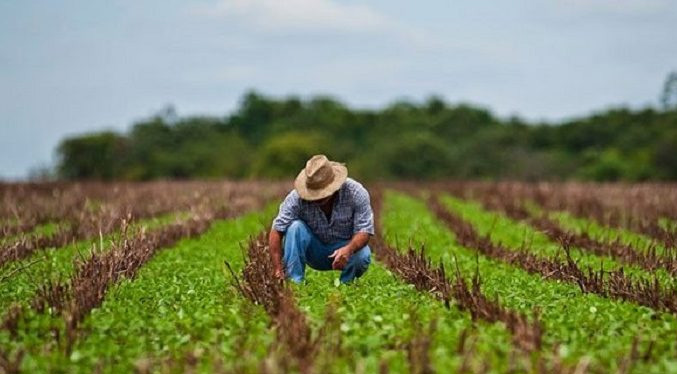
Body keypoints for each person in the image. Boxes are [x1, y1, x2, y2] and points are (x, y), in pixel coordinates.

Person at [269, 154, 373, 284]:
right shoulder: (296, 198)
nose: (318, 198)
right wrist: (278, 269)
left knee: (362, 255)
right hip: (314, 250)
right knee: (295, 227)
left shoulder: (356, 192)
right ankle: (295, 284)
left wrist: (349, 249)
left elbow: (364, 230)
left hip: (345, 248)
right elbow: (276, 230)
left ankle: (346, 286)